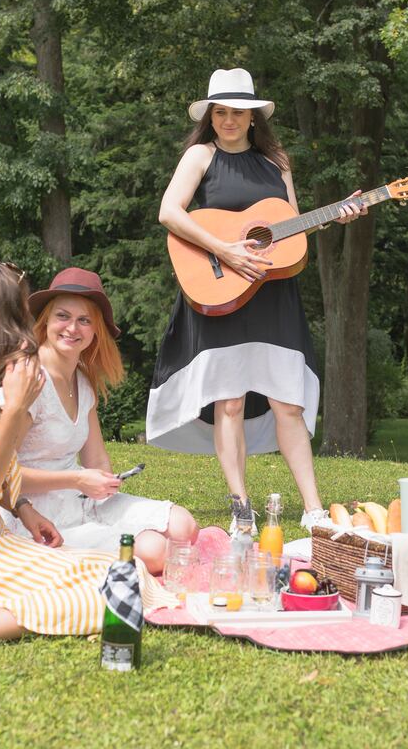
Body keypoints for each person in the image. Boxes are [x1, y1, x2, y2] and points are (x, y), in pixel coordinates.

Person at [0, 260, 174, 674]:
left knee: (121, 575)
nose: (27, 330)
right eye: (19, 316)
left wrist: (24, 508)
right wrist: (16, 410)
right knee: (111, 593)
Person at [146, 68, 367, 533]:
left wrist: (334, 216)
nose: (228, 120)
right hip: (221, 288)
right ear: (211, 116)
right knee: (228, 403)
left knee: (288, 401)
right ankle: (241, 507)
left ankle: (313, 509)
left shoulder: (277, 162)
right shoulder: (199, 156)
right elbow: (169, 212)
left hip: (272, 293)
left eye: (237, 113)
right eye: (220, 112)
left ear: (253, 118)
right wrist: (223, 249)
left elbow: (289, 223)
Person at [0, 267, 198, 573]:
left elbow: (96, 459)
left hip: (81, 499)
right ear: (46, 321)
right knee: (155, 553)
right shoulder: (30, 381)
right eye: (63, 316)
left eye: (84, 320)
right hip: (32, 513)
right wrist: (77, 480)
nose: (72, 328)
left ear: (95, 331)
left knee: (184, 526)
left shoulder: (82, 382)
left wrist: (106, 481)